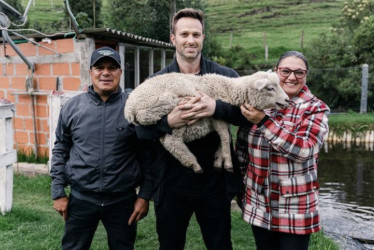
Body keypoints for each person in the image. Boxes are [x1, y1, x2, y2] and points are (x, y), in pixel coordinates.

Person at [135, 8, 243, 250]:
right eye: (184, 34)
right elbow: (140, 132)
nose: (191, 40)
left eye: (196, 34)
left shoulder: (225, 77)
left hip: (215, 183)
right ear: (173, 39)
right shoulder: (157, 82)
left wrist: (216, 107)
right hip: (171, 184)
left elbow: (244, 116)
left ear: (204, 37)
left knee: (220, 245)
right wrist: (167, 123)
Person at [50, 46, 152, 250]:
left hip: (123, 201)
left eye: (112, 68)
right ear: (91, 72)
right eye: (100, 67)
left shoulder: (134, 108)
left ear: (120, 72)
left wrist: (144, 196)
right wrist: (58, 192)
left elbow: (149, 155)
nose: (106, 73)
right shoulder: (72, 107)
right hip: (81, 198)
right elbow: (61, 149)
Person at [235, 51, 330, 250]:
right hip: (259, 201)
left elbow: (304, 150)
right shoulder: (259, 104)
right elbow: (242, 150)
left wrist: (263, 122)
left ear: (306, 75)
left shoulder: (315, 108)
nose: (292, 77)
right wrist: (241, 186)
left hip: (295, 205)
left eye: (299, 72)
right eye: (285, 71)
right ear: (276, 72)